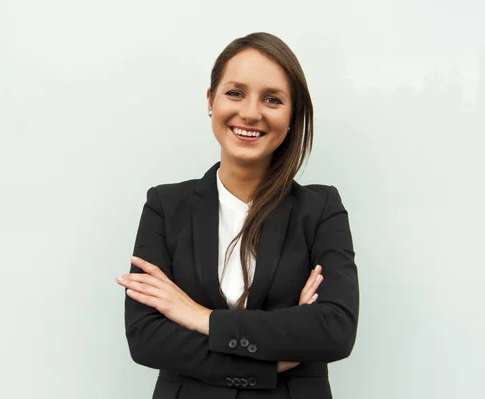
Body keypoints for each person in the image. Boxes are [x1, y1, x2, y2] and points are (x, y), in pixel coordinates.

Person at [116, 32, 359, 399]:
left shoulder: (321, 209)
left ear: (292, 116)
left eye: (272, 99)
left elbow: (334, 330)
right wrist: (272, 355)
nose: (250, 112)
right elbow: (146, 338)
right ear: (211, 100)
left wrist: (199, 316)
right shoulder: (165, 206)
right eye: (235, 93)